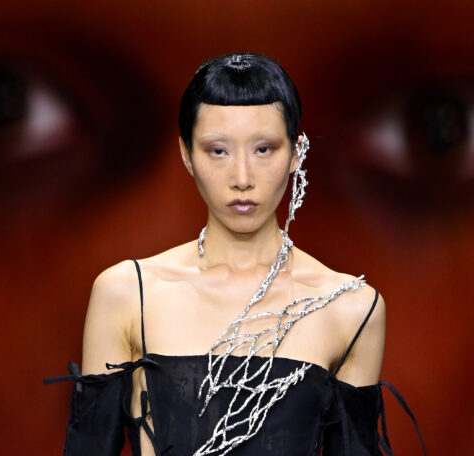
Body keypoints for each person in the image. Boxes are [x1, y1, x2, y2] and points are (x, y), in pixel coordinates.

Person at [45, 52, 425, 456]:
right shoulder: (127, 294)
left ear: (296, 152)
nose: (242, 178)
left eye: (264, 149)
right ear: (186, 154)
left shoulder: (350, 307)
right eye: (217, 151)